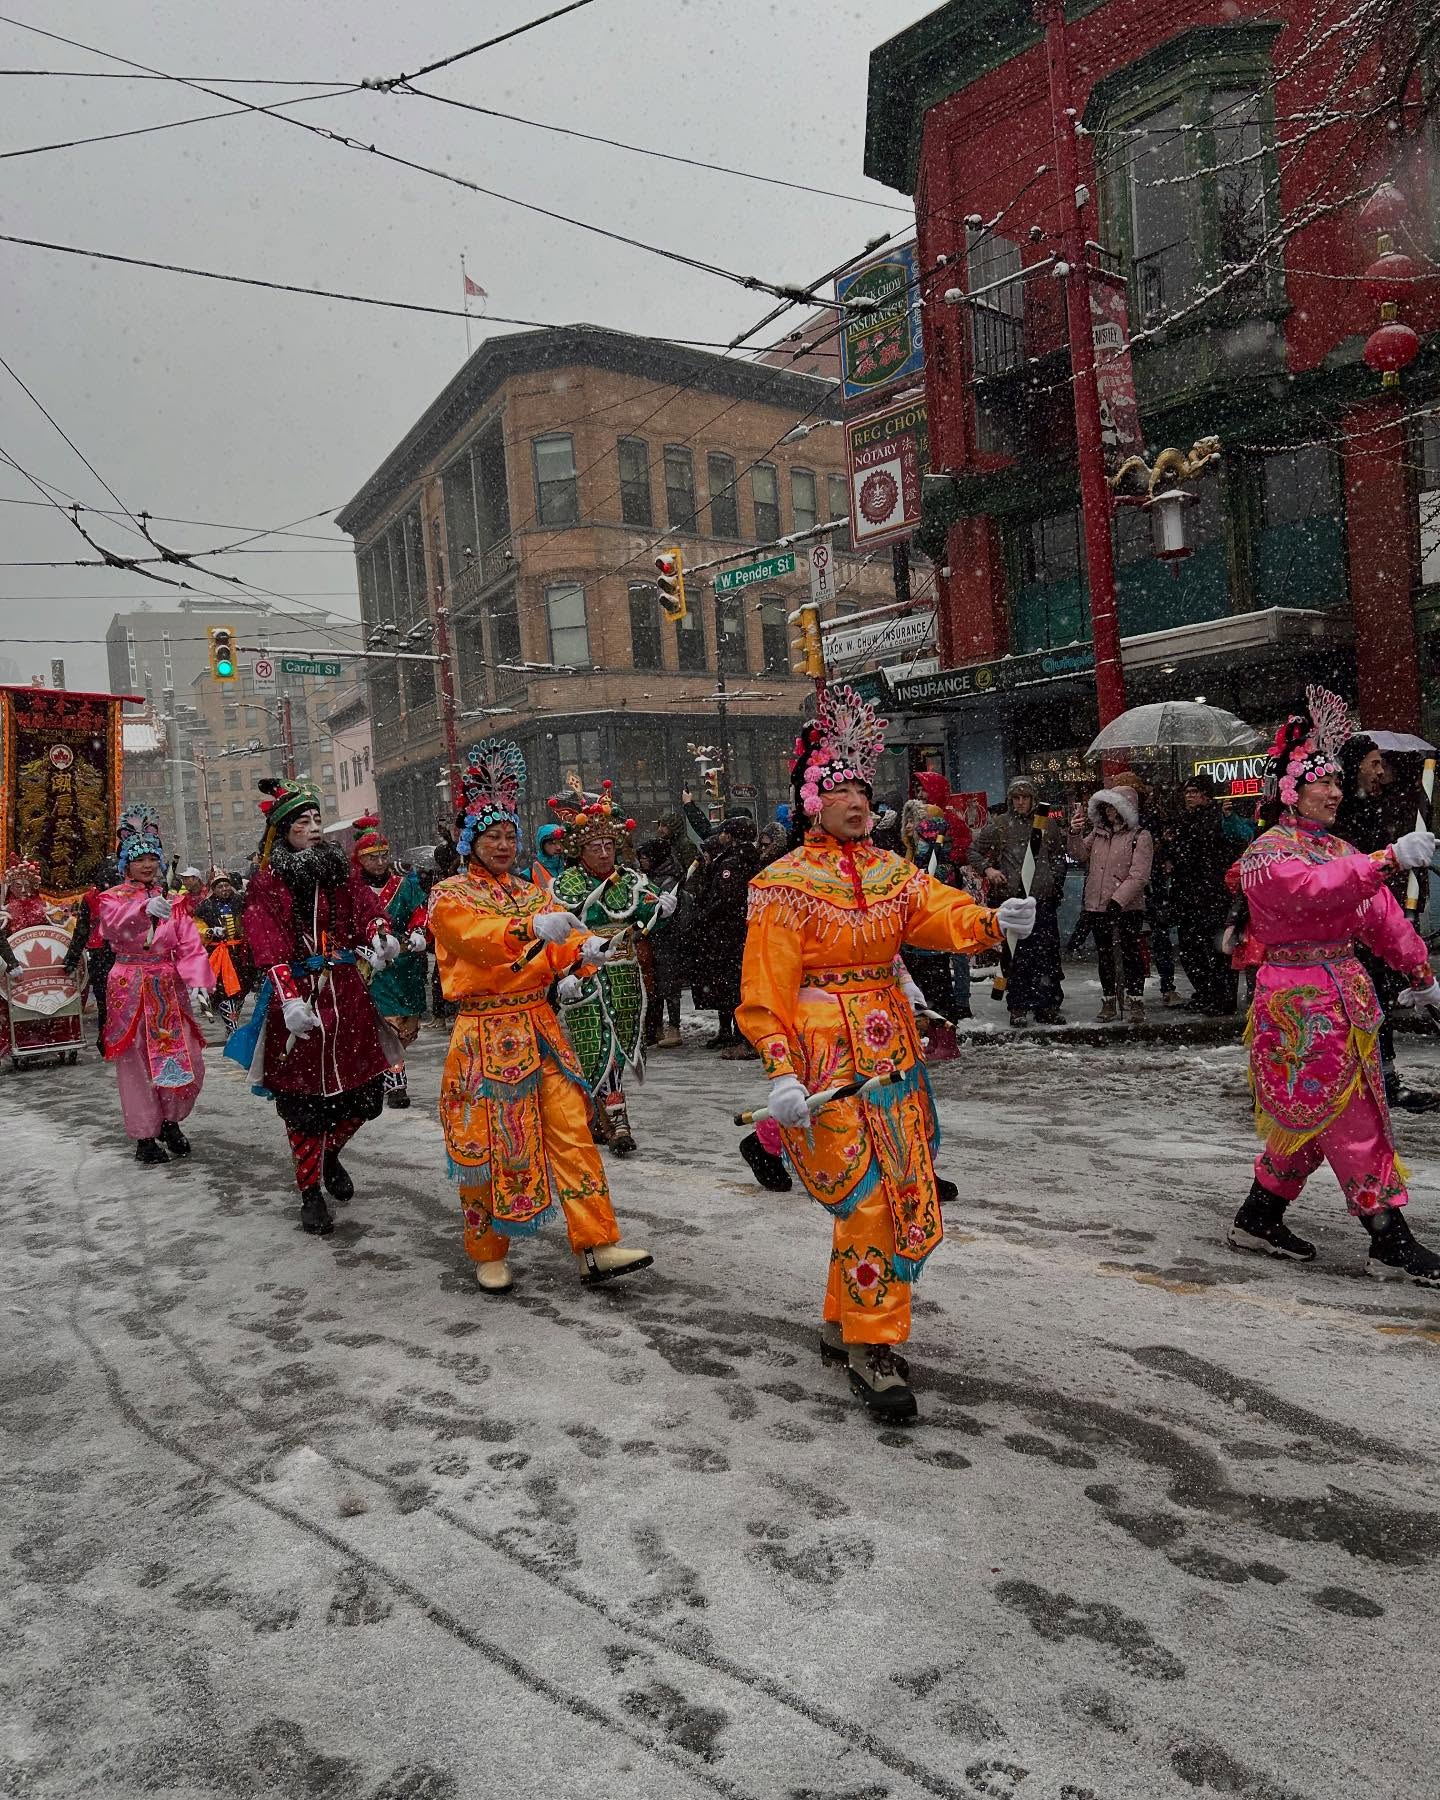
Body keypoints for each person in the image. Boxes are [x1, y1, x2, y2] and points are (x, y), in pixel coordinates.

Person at [738, 684, 1035, 1422]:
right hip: (823, 1060)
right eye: (839, 788)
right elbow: (763, 990)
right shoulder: (780, 887)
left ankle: (847, 1319)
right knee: (866, 1198)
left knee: (903, 1190)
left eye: (863, 788)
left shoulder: (890, 870)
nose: (857, 799)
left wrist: (991, 920)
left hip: (891, 1052)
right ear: (812, 800)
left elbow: (938, 912)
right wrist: (778, 1067)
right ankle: (874, 1345)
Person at [1228, 687, 1440, 1287]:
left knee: (1313, 1117)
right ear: (1290, 791)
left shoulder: (1335, 847)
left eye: (1338, 783)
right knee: (1354, 1114)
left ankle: (1260, 1214)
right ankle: (1388, 1238)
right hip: (1300, 1003)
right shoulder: (1266, 855)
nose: (1335, 791)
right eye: (1322, 783)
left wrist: (1421, 975)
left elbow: (1380, 916)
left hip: (1344, 997)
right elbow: (1312, 891)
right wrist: (1387, 860)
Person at [428, 738, 652, 1293]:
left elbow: (560, 946)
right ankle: (486, 1250)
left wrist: (583, 956)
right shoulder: (449, 896)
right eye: (492, 836)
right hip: (484, 1031)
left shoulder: (533, 891)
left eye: (510, 835)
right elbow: (477, 943)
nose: (503, 845)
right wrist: (530, 930)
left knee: (572, 1132)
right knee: (484, 1143)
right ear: (470, 841)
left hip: (539, 1026)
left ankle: (596, 1245)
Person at [229, 778, 400, 1237]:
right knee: (304, 1103)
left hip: (346, 996)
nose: (314, 828)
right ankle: (309, 1193)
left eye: (318, 820)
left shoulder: (339, 871)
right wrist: (287, 998)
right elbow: (265, 942)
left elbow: (367, 910)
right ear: (283, 830)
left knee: (365, 1096)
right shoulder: (268, 884)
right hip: (301, 999)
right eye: (303, 822)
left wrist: (381, 932)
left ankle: (328, 1154)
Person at [549, 781, 677, 1150]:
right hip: (586, 975)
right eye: (595, 846)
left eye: (609, 845)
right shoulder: (565, 885)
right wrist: (566, 973)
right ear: (580, 849)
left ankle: (598, 1116)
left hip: (625, 974)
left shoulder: (632, 879)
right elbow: (557, 936)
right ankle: (619, 1124)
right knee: (594, 1045)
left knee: (619, 1048)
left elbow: (647, 917)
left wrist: (663, 911)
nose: (604, 853)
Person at [93, 813, 212, 1164]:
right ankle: (145, 1134)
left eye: (152, 858)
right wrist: (141, 909)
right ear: (126, 864)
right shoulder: (111, 898)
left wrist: (198, 982)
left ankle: (170, 1120)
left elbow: (189, 944)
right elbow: (111, 929)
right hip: (129, 983)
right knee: (137, 1063)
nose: (147, 865)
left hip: (167, 985)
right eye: (139, 859)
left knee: (185, 1055)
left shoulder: (174, 902)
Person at [1336, 734, 1436, 1112]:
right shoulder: (1339, 813)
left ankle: (1384, 1078)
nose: (1380, 771)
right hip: (1345, 932)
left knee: (1377, 1004)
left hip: (1376, 924)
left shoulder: (1374, 807)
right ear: (1356, 765)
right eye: (1374, 763)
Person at [969, 775, 1067, 1027]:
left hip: (1043, 901)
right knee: (1017, 956)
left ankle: (1049, 1005)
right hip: (1015, 902)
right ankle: (1019, 1006)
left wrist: (1054, 880)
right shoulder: (1000, 825)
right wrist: (988, 870)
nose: (1021, 802)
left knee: (1046, 956)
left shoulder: (1046, 823)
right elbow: (974, 851)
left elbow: (1057, 856)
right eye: (1016, 798)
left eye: (1025, 798)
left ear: (1033, 799)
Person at [351, 815, 430, 1111]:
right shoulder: (353, 889)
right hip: (373, 967)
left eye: (384, 855)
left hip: (405, 963)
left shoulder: (402, 885)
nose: (381, 862)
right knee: (386, 1026)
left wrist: (419, 931)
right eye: (373, 857)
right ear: (361, 860)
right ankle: (396, 1081)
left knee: (407, 1025)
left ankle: (380, 1068)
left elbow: (419, 911)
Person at [1068, 785, 1153, 1024]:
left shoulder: (1140, 836)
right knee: (1104, 955)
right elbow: (1078, 855)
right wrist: (1074, 833)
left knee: (1131, 954)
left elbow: (1139, 874)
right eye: (1106, 806)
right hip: (1098, 905)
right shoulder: (1098, 834)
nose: (1109, 810)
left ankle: (1135, 1000)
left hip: (1127, 906)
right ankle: (1108, 1000)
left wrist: (1119, 898)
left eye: (1114, 805)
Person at [686, 811, 759, 1058]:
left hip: (727, 933)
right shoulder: (750, 858)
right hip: (738, 932)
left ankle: (740, 1035)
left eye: (726, 833)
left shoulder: (732, 862)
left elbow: (727, 898)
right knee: (732, 984)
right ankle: (729, 1031)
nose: (722, 837)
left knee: (731, 985)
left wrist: (705, 915)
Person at [1171, 773, 1237, 1015]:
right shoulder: (1185, 819)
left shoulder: (1216, 819)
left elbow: (1208, 847)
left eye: (1194, 792)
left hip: (1212, 893)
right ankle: (1206, 993)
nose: (1189, 797)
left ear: (1206, 795)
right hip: (1190, 893)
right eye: (1187, 792)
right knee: (1191, 950)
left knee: (1216, 950)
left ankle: (1222, 997)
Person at [1, 855, 69, 1062]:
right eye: (17, 885)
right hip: (17, 969)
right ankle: (22, 1039)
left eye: (27, 885)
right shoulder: (5, 913)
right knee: (18, 1007)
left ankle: (51, 1037)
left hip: (44, 967)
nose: (23, 890)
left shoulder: (45, 908)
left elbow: (57, 935)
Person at [63, 859, 119, 1048]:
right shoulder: (90, 899)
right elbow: (82, 930)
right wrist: (72, 956)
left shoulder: (125, 895)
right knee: (105, 996)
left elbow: (81, 930)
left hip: (117, 950)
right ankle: (107, 1035)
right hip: (103, 951)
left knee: (110, 996)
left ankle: (110, 1035)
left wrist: (72, 956)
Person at [636, 835, 685, 1049]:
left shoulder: (669, 879)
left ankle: (673, 1027)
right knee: (652, 983)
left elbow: (669, 910)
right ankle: (653, 1028)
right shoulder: (648, 877)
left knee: (668, 983)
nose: (642, 861)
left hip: (667, 937)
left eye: (645, 857)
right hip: (651, 938)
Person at [194, 869, 255, 1035]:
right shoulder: (205, 907)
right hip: (219, 954)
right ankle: (232, 1028)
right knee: (224, 990)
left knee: (243, 987)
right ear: (214, 889)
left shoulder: (240, 902)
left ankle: (233, 1019)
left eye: (226, 885)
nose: (224, 889)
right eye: (220, 886)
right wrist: (210, 931)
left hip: (241, 953)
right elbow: (197, 927)